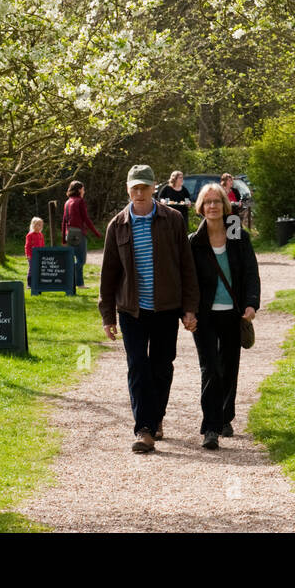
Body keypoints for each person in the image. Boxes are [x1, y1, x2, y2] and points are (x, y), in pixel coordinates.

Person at [98, 165, 200, 454]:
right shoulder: (117, 225)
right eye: (135, 188)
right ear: (128, 189)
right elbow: (108, 274)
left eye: (145, 187)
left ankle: (156, 418)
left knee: (161, 366)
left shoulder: (174, 220)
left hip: (167, 307)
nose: (140, 192)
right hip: (132, 310)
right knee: (137, 367)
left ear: (155, 187)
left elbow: (187, 267)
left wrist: (190, 308)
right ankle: (144, 428)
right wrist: (108, 316)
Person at [189, 183, 260, 450]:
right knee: (210, 369)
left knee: (229, 368)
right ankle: (210, 427)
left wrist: (252, 304)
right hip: (204, 315)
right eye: (207, 202)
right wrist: (187, 311)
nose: (212, 206)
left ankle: (225, 416)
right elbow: (188, 281)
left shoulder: (238, 236)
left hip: (233, 312)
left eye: (217, 201)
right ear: (201, 207)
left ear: (225, 205)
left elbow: (251, 273)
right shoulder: (194, 242)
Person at [62, 180, 102, 287]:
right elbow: (86, 219)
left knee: (73, 258)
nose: (84, 191)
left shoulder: (67, 202)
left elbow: (64, 221)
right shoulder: (80, 201)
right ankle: (78, 283)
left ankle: (72, 282)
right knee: (81, 260)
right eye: (83, 189)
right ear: (79, 190)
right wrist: (96, 232)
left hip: (69, 233)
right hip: (79, 233)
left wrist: (63, 239)